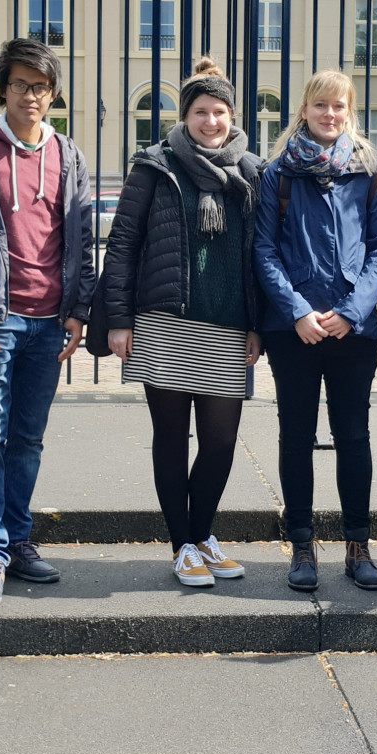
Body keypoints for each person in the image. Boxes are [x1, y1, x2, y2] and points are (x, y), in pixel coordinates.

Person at [0, 39, 94, 610]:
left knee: (27, 439)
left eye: (42, 87)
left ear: (53, 95)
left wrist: (79, 310)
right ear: (3, 87)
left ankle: (18, 539)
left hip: (50, 322)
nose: (32, 95)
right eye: (22, 84)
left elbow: (81, 240)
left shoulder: (69, 156)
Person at [104, 58, 264, 586]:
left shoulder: (252, 172)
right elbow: (123, 243)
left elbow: (263, 253)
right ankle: (182, 546)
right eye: (200, 111)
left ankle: (201, 535)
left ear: (233, 116)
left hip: (228, 328)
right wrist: (119, 319)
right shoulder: (155, 165)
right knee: (171, 438)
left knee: (219, 443)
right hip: (163, 323)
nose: (210, 121)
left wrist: (258, 325)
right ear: (185, 114)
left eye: (219, 111)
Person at [255, 70, 377, 592]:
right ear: (305, 110)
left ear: (350, 110)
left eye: (339, 106)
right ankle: (302, 545)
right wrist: (297, 312)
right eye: (321, 106)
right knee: (295, 437)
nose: (330, 115)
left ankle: (358, 544)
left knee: (353, 437)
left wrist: (353, 310)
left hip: (352, 331)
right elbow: (264, 248)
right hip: (295, 330)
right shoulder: (279, 173)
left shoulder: (368, 170)